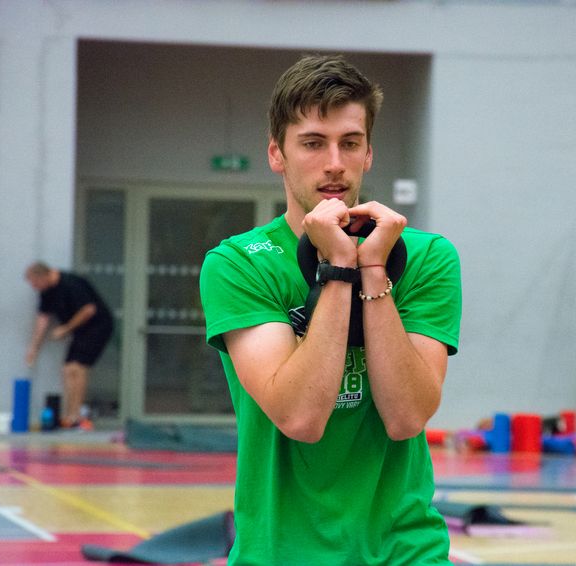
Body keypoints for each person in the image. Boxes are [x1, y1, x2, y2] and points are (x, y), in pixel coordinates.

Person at [199, 54, 462, 565]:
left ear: (369, 153)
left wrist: (373, 268)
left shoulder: (428, 256)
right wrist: (339, 269)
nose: (335, 162)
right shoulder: (238, 264)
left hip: (406, 551)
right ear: (277, 154)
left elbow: (407, 416)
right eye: (313, 143)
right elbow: (301, 416)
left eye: (351, 143)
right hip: (282, 553)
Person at [24, 261, 114, 429]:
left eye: (35, 284)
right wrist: (34, 348)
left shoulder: (71, 283)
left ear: (43, 276)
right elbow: (43, 319)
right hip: (80, 331)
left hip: (98, 326)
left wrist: (65, 329)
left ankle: (77, 416)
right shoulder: (46, 292)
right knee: (67, 369)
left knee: (77, 367)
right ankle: (69, 415)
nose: (35, 288)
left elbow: (88, 310)